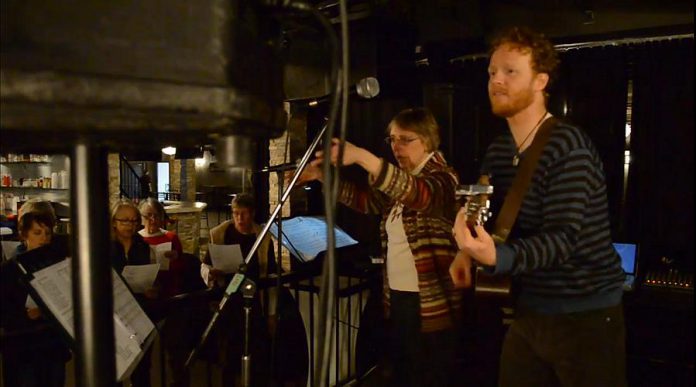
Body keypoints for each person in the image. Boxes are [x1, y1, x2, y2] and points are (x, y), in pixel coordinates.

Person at [450, 26, 627, 387]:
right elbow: (486, 213)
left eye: (510, 71)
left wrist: (496, 258)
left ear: (540, 81)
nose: (496, 80)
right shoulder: (499, 150)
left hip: (586, 314)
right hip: (529, 308)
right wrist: (466, 253)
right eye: (492, 72)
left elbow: (563, 240)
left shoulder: (568, 146)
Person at [299, 107, 462, 387]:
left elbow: (419, 195)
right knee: (405, 370)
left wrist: (362, 157)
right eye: (392, 139)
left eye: (405, 139)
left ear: (428, 141)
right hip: (400, 296)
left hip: (429, 299)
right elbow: (366, 201)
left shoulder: (444, 178)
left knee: (429, 373)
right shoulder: (400, 179)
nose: (396, 147)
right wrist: (322, 177)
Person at [200, 192, 279, 386]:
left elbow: (270, 273)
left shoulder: (262, 237)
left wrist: (271, 313)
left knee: (257, 350)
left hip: (255, 300)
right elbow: (205, 264)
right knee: (229, 351)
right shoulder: (221, 233)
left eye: (243, 213)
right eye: (235, 213)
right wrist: (210, 273)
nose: (239, 218)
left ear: (252, 213)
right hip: (229, 299)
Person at [0, 199, 71, 387]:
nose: (44, 239)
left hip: (51, 345)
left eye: (47, 233)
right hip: (23, 350)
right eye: (37, 233)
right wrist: (27, 315)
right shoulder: (9, 270)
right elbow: (4, 314)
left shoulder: (56, 264)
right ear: (24, 235)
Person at [110, 199, 157, 387]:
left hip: (140, 311)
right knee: (115, 368)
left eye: (134, 221)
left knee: (142, 368)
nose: (130, 225)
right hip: (114, 314)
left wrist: (152, 289)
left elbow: (151, 276)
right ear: (114, 221)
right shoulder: (104, 247)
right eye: (124, 221)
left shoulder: (143, 246)